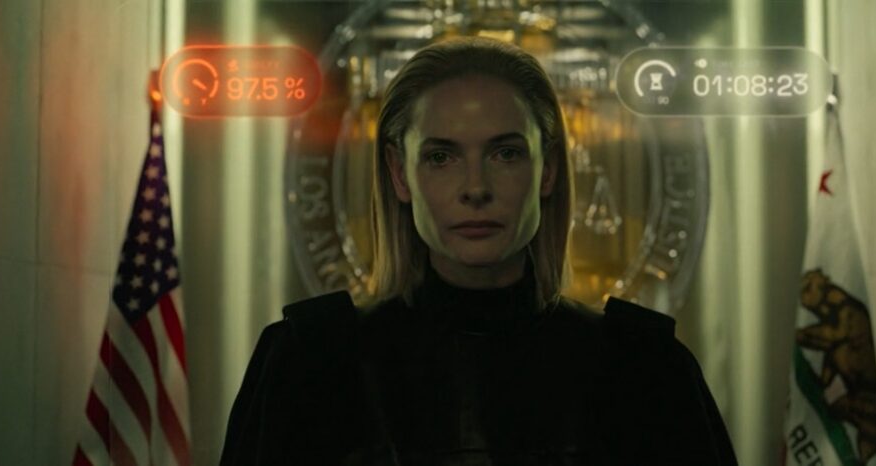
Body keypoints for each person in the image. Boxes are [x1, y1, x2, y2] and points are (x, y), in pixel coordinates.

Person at [220, 36, 736, 465]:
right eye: (441, 157)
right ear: (400, 174)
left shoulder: (645, 370)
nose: (475, 188)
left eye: (505, 153)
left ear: (548, 169)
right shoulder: (309, 364)